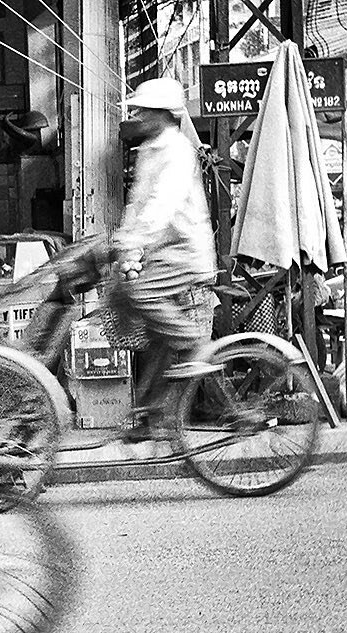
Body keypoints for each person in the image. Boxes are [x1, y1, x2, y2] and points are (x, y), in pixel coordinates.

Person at [109, 77, 218, 411]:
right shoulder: (147, 151)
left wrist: (134, 241)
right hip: (163, 252)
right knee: (154, 335)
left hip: (185, 252)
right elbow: (137, 202)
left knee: (140, 292)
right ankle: (150, 413)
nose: (139, 115)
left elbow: (160, 205)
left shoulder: (177, 151)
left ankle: (194, 343)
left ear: (163, 114)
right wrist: (124, 241)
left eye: (145, 110)